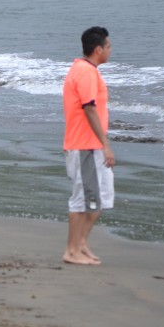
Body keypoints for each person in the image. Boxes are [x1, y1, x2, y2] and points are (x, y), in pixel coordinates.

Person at [62, 26, 115, 266]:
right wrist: (106, 145)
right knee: (83, 199)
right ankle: (71, 251)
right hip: (85, 145)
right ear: (98, 49)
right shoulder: (84, 72)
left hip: (91, 145)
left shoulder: (89, 70)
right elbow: (89, 108)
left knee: (99, 198)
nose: (110, 50)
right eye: (108, 46)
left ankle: (81, 244)